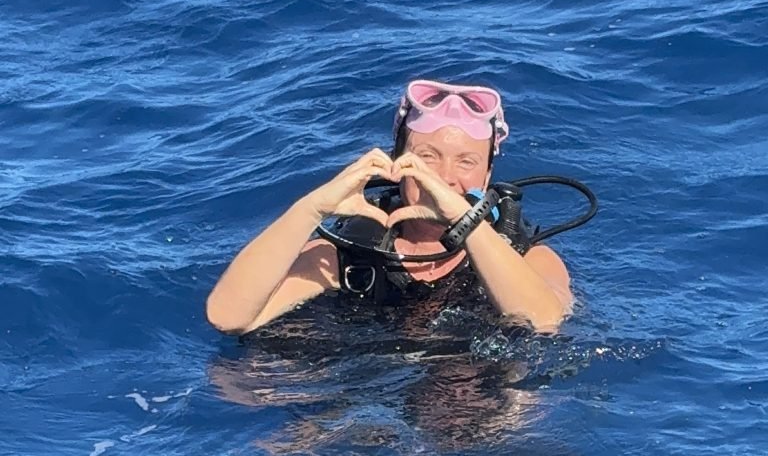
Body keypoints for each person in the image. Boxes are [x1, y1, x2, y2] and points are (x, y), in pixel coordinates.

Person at [206, 79, 573, 337]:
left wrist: (466, 223)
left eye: (466, 162)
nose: (444, 178)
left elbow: (544, 322)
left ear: (488, 173)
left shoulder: (527, 256)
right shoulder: (347, 254)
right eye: (427, 157)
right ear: (396, 162)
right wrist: (312, 209)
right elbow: (228, 318)